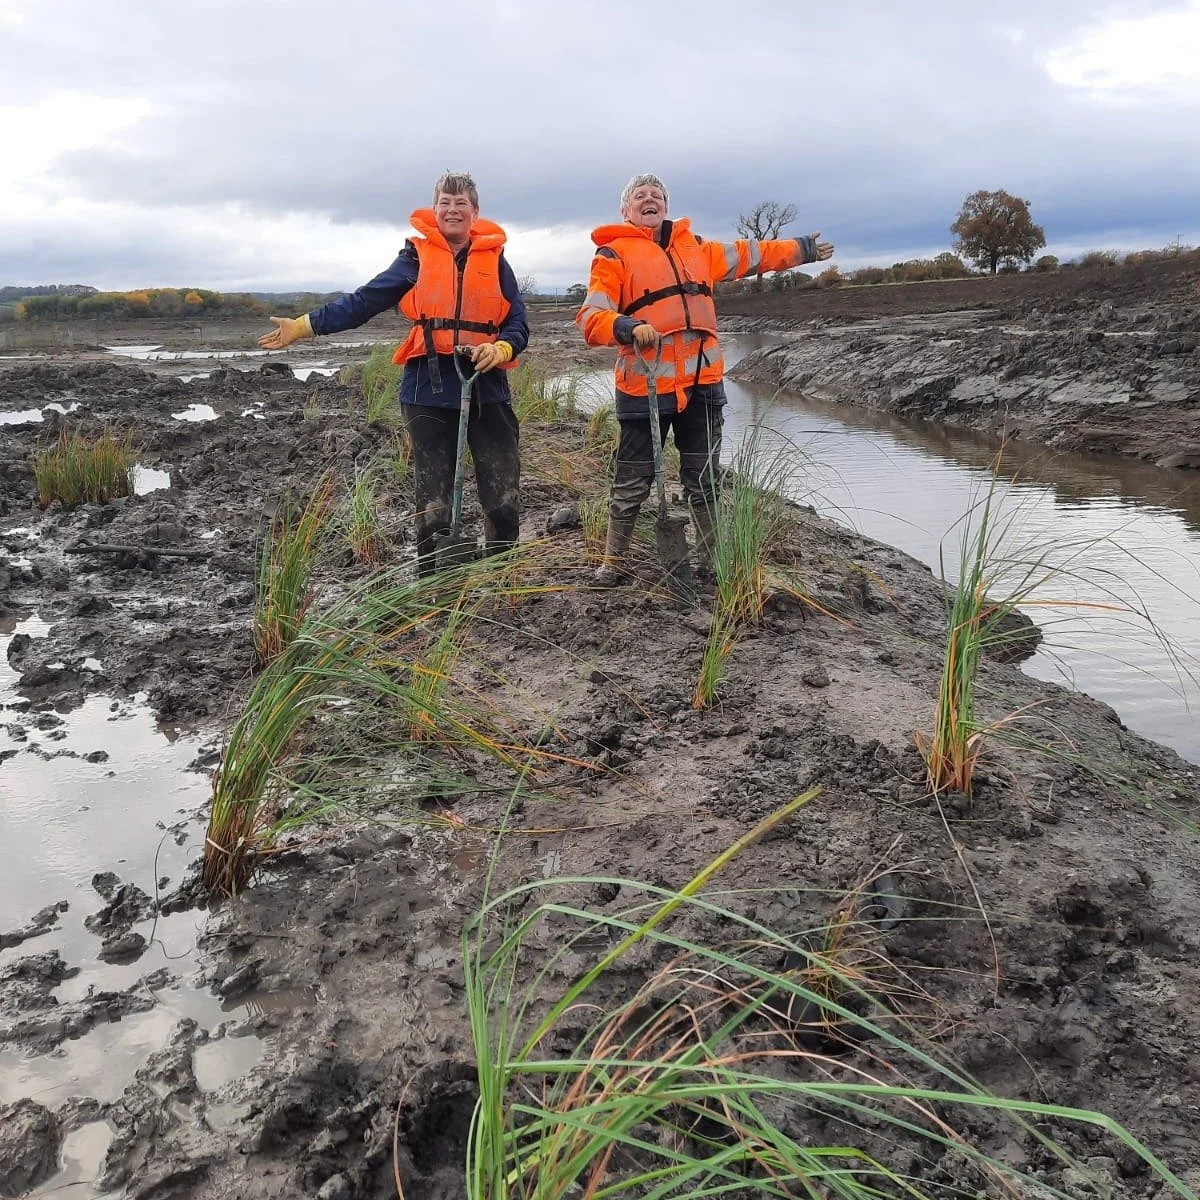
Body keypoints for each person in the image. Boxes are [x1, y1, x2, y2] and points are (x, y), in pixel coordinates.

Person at [258, 170, 530, 578]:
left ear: (476, 212)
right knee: (433, 502)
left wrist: (503, 346)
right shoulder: (414, 259)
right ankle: (432, 585)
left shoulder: (496, 262)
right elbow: (363, 302)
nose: (452, 210)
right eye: (445, 203)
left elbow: (518, 324)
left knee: (503, 499)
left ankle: (503, 578)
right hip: (428, 389)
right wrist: (303, 326)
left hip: (486, 387)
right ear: (434, 209)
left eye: (461, 204)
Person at [576, 173, 833, 585]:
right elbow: (591, 318)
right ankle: (614, 563)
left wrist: (801, 249)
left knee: (705, 480)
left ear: (666, 206)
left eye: (656, 195)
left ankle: (709, 564)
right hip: (646, 387)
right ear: (625, 211)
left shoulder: (696, 249)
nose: (649, 200)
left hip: (702, 384)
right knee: (631, 479)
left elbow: (752, 254)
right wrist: (625, 326)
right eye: (639, 196)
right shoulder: (613, 255)